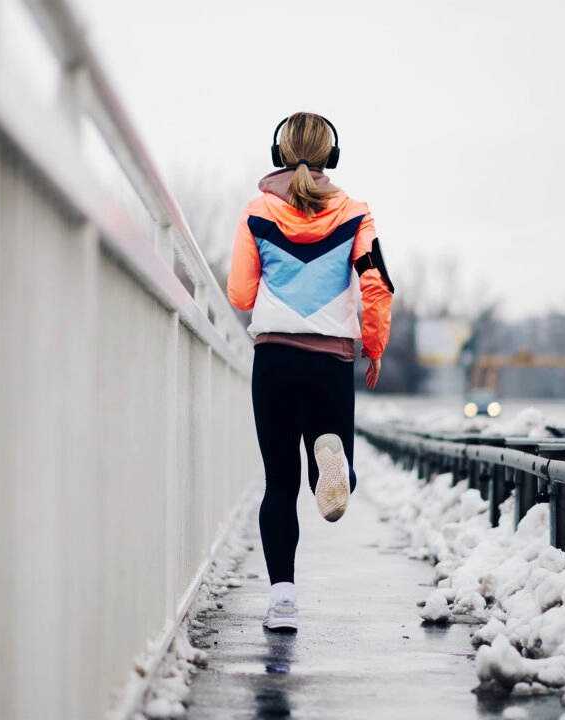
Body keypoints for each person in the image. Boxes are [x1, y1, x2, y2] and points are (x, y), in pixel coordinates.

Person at [227, 112, 394, 631]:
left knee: (279, 484)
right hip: (331, 361)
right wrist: (375, 346)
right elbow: (376, 286)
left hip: (274, 358)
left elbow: (240, 294)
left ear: (280, 155)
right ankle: (331, 450)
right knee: (335, 461)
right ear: (332, 158)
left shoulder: (257, 211)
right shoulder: (355, 214)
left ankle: (282, 602)